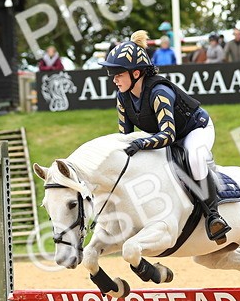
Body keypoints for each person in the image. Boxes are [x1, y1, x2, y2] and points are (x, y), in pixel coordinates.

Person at [98, 30, 231, 243]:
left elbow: (168, 135)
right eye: (113, 75)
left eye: (119, 74)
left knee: (194, 158)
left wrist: (141, 143)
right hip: (166, 135)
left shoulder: (159, 92)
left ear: (136, 73)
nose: (114, 80)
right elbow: (125, 136)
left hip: (194, 130)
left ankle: (214, 217)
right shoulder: (122, 98)